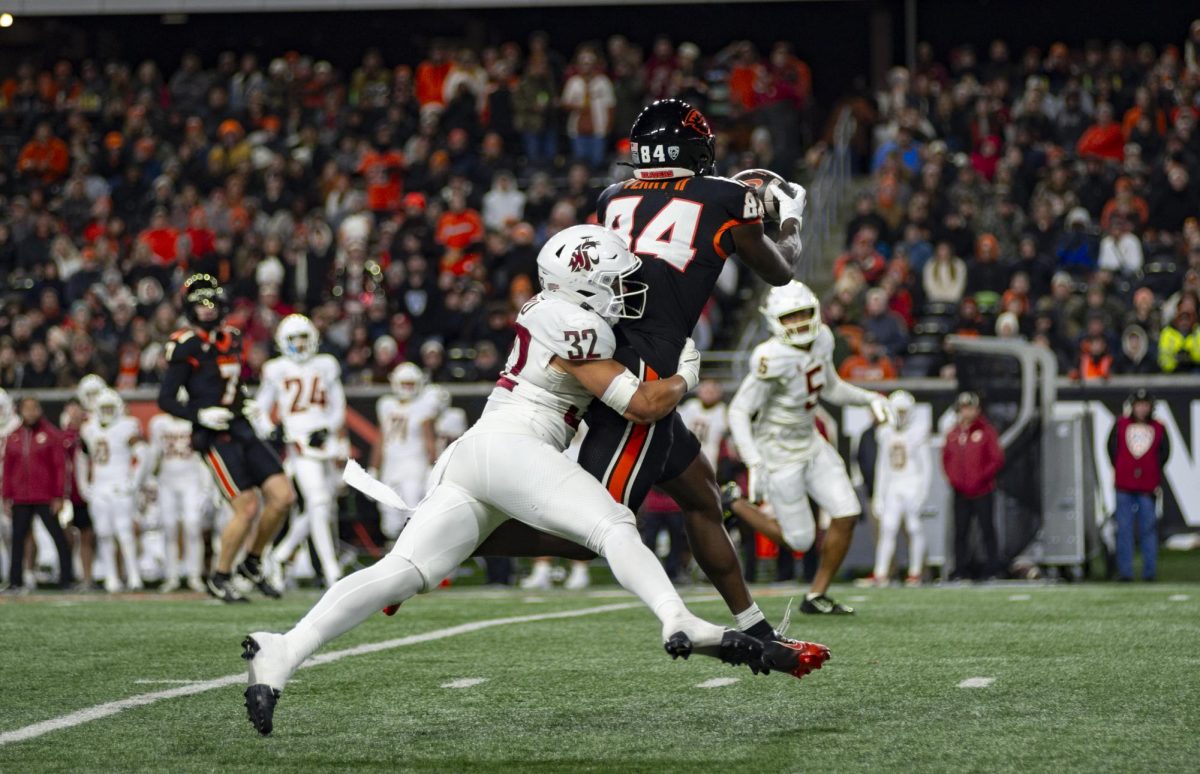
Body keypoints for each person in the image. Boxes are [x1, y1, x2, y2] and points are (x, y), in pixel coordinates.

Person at [240, 226, 828, 736]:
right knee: (615, 525)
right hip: (515, 446)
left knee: (402, 572)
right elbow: (642, 404)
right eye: (616, 281)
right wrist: (685, 378)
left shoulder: (552, 310)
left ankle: (284, 648)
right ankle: (677, 617)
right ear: (582, 287)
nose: (627, 291)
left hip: (476, 452)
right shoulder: (574, 324)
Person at [475, 99, 810, 652]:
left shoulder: (612, 197)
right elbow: (782, 268)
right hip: (649, 369)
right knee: (594, 534)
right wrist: (790, 214)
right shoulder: (728, 197)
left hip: (611, 348)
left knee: (702, 495)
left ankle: (757, 628)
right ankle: (468, 538)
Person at [724, 281, 896, 614]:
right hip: (777, 451)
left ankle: (817, 595)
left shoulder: (824, 339)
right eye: (791, 317)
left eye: (804, 314)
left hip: (811, 442)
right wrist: (754, 463)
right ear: (775, 320)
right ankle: (735, 502)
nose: (801, 323)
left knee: (847, 513)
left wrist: (869, 397)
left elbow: (830, 387)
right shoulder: (770, 356)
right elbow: (739, 410)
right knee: (800, 540)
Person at [157, 273, 296, 602]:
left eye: (211, 303)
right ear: (189, 308)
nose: (207, 310)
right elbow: (165, 399)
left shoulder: (232, 337)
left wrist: (248, 405)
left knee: (283, 497)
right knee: (247, 507)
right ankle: (219, 576)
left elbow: (232, 385)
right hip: (214, 435)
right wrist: (198, 414)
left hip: (241, 426)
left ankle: (251, 561)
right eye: (200, 304)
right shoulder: (185, 343)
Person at [256, 315, 348, 589]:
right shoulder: (276, 368)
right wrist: (270, 428)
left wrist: (328, 427)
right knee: (319, 501)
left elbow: (338, 406)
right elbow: (260, 406)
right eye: (293, 339)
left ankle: (281, 554)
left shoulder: (326, 365)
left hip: (325, 442)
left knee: (324, 506)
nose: (299, 344)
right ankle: (333, 571)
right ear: (283, 342)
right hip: (298, 441)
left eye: (303, 338)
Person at [2, 397, 73, 592]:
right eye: (27, 409)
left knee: (57, 535)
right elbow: (8, 469)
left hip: (45, 496)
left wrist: (58, 495)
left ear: (40, 410)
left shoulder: (51, 434)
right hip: (20, 497)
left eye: (34, 409)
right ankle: (15, 580)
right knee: (17, 539)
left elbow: (59, 467)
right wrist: (6, 496)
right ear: (20, 411)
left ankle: (66, 578)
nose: (31, 413)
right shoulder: (14, 436)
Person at [80, 389, 146, 592]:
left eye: (110, 407)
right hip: (100, 487)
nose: (107, 412)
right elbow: (81, 457)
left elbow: (144, 453)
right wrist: (83, 484)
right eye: (104, 408)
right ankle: (111, 577)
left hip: (119, 486)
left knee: (124, 532)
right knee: (104, 533)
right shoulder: (89, 428)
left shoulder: (126, 426)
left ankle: (134, 576)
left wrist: (133, 482)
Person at [371, 362, 440, 540]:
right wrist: (373, 468)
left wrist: (432, 467)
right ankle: (394, 554)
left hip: (414, 466)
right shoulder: (386, 404)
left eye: (411, 383)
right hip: (390, 466)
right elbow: (380, 439)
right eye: (405, 384)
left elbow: (429, 440)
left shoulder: (423, 405)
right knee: (389, 518)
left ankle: (414, 556)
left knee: (412, 512)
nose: (408, 388)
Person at [868, 391, 931, 586]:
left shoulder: (918, 431)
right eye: (898, 411)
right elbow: (882, 466)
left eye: (904, 411)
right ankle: (881, 572)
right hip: (894, 485)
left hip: (912, 483)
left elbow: (926, 466)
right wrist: (879, 495)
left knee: (914, 527)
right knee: (888, 528)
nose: (901, 415)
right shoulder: (885, 433)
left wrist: (923, 493)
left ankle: (915, 572)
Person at [1106, 389, 1168, 582]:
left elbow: (1164, 454)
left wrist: (1152, 474)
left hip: (1148, 487)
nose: (1142, 409)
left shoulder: (1159, 427)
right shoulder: (1120, 424)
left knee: (1148, 530)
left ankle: (1150, 572)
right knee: (1123, 530)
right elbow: (1111, 449)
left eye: (1145, 405)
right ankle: (1125, 572)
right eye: (1139, 405)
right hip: (1124, 485)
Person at [942, 392, 1005, 580]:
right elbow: (946, 459)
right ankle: (960, 569)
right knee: (960, 532)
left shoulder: (986, 431)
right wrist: (955, 480)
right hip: (960, 491)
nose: (966, 412)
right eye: (963, 408)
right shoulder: (954, 433)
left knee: (987, 530)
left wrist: (980, 477)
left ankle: (992, 568)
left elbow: (996, 459)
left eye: (970, 408)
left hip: (983, 489)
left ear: (977, 410)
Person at [146, 411, 208, 593]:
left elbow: (203, 453)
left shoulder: (194, 420)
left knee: (192, 525)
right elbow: (155, 453)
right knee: (169, 527)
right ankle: (171, 576)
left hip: (191, 480)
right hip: (167, 481)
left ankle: (194, 575)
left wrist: (206, 486)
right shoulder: (158, 423)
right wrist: (150, 478)